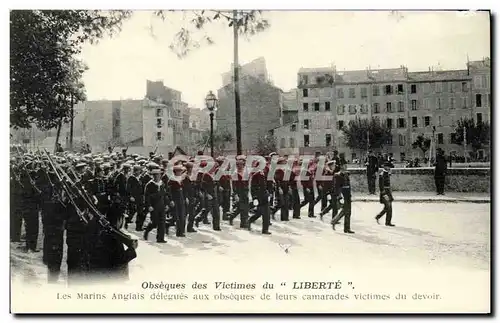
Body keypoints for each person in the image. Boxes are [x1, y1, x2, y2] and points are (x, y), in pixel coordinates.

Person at [331, 163, 354, 234]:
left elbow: (349, 185)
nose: (345, 167)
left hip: (347, 195)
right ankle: (336, 222)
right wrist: (339, 196)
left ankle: (347, 228)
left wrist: (350, 195)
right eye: (344, 166)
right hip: (343, 194)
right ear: (341, 167)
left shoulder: (347, 174)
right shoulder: (337, 175)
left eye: (346, 166)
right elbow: (337, 187)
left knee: (348, 212)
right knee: (345, 211)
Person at [375, 161, 395, 227]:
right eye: (388, 167)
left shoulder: (386, 173)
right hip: (385, 193)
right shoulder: (382, 174)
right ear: (385, 167)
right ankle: (387, 222)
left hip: (388, 191)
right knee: (389, 207)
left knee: (387, 207)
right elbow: (381, 185)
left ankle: (378, 217)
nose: (389, 168)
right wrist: (384, 194)